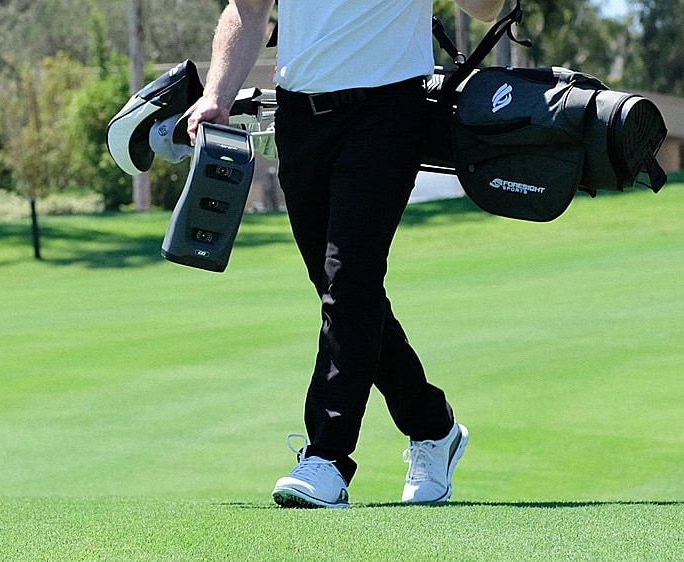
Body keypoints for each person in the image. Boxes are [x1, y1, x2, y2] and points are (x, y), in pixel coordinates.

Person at [187, 0, 504, 508]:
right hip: (299, 117)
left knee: (349, 281)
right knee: (343, 291)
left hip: (388, 112)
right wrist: (215, 96)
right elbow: (248, 10)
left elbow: (487, 8)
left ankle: (328, 458)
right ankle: (432, 425)